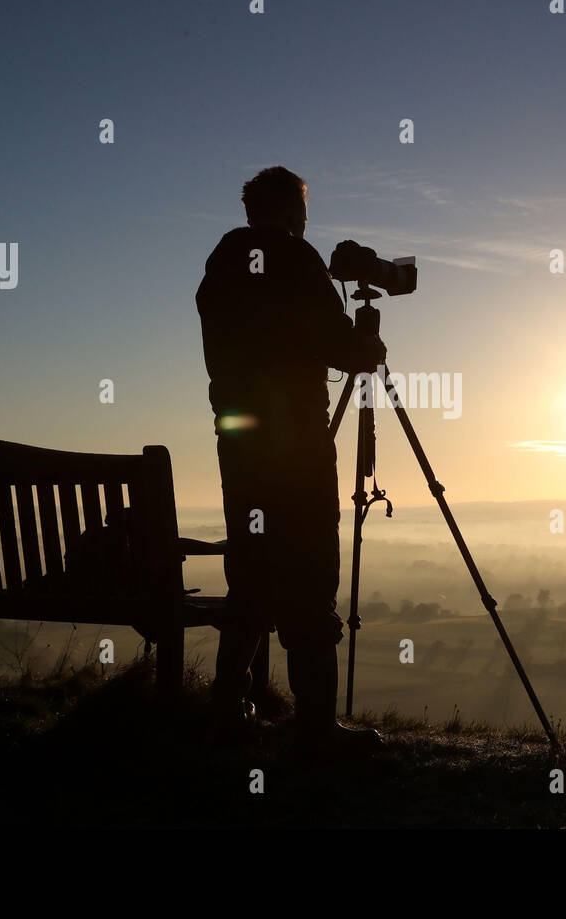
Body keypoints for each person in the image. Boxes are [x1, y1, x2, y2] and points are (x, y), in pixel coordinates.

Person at [196, 166, 385, 754]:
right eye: (304, 211)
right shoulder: (297, 263)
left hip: (239, 445)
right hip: (299, 445)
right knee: (309, 571)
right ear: (293, 211)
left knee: (250, 571)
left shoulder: (222, 264)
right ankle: (315, 723)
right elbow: (340, 348)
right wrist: (367, 339)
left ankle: (227, 710)